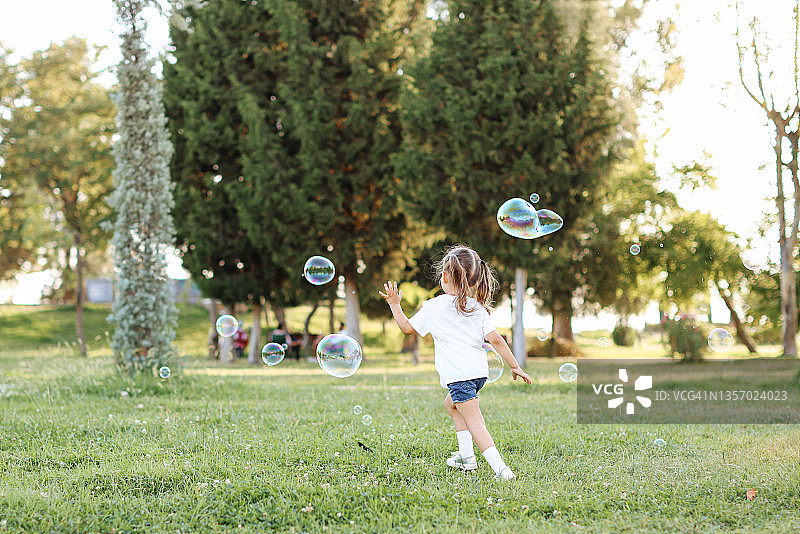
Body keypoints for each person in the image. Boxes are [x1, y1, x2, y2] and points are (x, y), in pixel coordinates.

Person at [379, 245, 532, 480]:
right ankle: (466, 457)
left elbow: (407, 329)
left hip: (460, 376)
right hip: (477, 375)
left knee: (476, 422)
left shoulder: (435, 306)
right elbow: (496, 340)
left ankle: (502, 471)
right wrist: (514, 365)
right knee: (451, 405)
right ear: (473, 281)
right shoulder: (477, 308)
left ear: (446, 277)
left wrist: (394, 304)